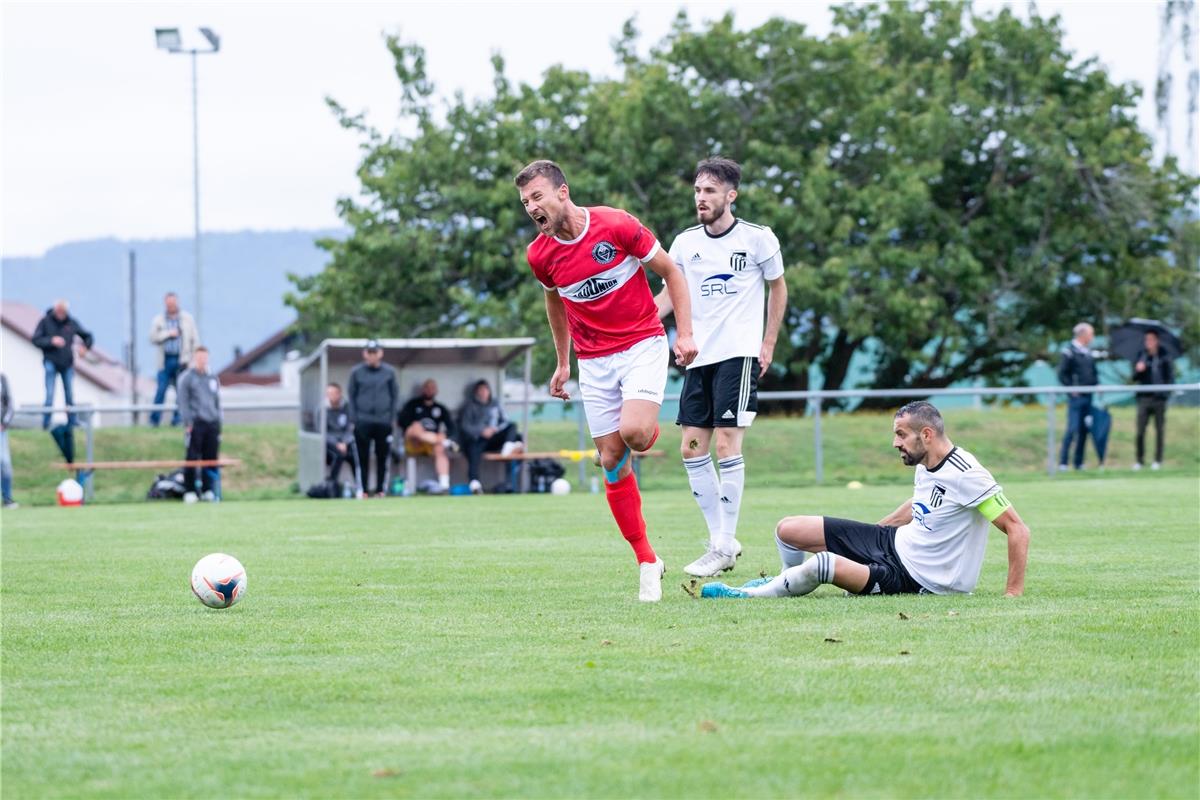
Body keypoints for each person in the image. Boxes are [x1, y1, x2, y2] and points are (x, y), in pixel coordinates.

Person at [515, 159, 698, 601]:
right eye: (524, 202)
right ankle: (647, 560)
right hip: (593, 363)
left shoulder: (616, 225)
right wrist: (563, 363)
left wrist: (687, 333)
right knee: (613, 464)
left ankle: (641, 429)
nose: (531, 207)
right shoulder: (540, 255)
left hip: (641, 344)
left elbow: (672, 271)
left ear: (562, 192)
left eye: (537, 196)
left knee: (634, 435)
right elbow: (555, 306)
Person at [700, 401, 1030, 599]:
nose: (895, 442)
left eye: (901, 434)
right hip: (894, 542)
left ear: (926, 435)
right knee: (789, 529)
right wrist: (872, 534)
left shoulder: (967, 473)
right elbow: (919, 505)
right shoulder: (927, 462)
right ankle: (781, 579)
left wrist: (1012, 594)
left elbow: (1017, 529)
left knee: (822, 565)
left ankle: (749, 594)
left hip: (916, 579)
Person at [654, 157, 788, 577]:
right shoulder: (684, 244)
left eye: (709, 191)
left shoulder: (757, 238)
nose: (701, 198)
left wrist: (767, 343)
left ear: (731, 195)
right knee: (691, 449)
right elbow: (668, 298)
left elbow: (778, 289)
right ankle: (719, 543)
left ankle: (726, 542)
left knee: (728, 444)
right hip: (698, 359)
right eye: (697, 191)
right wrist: (630, 326)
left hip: (739, 355)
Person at [347, 340, 399, 498]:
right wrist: (354, 419)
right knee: (362, 457)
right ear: (364, 354)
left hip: (383, 421)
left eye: (374, 352)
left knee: (382, 456)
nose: (372, 355)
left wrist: (391, 418)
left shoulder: (389, 372)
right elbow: (352, 396)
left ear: (380, 353)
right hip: (363, 421)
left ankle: (380, 489)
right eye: (369, 352)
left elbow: (394, 396)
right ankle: (362, 490)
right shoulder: (356, 372)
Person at [31, 299, 94, 430]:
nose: (60, 314)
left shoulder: (71, 323)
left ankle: (72, 422)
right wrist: (51, 341)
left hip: (67, 364)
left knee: (69, 394)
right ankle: (46, 423)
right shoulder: (45, 321)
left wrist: (85, 348)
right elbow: (36, 339)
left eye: (63, 311)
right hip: (50, 362)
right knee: (49, 394)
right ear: (55, 310)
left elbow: (88, 336)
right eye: (58, 311)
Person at [458, 379, 524, 494]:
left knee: (513, 427)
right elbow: (465, 426)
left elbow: (505, 421)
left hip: (494, 437)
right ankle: (474, 482)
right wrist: (482, 431)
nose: (483, 392)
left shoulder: (495, 404)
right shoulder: (470, 406)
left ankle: (508, 447)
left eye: (486, 389)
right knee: (473, 448)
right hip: (478, 438)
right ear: (476, 392)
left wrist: (495, 429)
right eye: (481, 390)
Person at [398, 378, 458, 495]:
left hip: (431, 444)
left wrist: (443, 434)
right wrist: (417, 428)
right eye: (427, 387)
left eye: (432, 388)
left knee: (440, 447)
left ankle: (444, 485)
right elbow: (401, 422)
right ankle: (439, 440)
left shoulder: (440, 408)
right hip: (414, 442)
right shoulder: (412, 405)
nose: (430, 390)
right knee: (415, 428)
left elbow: (452, 428)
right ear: (423, 389)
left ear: (436, 391)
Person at [177, 347, 222, 502]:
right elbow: (183, 402)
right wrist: (188, 422)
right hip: (196, 423)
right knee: (192, 456)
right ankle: (189, 490)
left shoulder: (212, 378)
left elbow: (217, 401)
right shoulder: (187, 378)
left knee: (210, 458)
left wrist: (218, 421)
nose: (203, 361)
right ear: (195, 359)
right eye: (200, 358)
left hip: (212, 423)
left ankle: (207, 489)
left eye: (205, 358)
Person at [148, 291, 199, 427]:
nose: (171, 305)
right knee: (161, 390)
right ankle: (154, 420)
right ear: (165, 303)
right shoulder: (159, 320)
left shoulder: (187, 319)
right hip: (165, 361)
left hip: (182, 360)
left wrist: (193, 359)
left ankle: (177, 420)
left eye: (173, 303)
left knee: (181, 392)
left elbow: (195, 340)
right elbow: (152, 338)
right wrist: (168, 334)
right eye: (168, 303)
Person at [1056, 322, 1099, 471]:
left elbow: (1093, 373)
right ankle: (1063, 462)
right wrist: (1071, 390)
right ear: (1083, 335)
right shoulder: (1069, 351)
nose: (1092, 337)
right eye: (1091, 334)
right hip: (1076, 398)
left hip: (1088, 396)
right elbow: (1062, 374)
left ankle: (1079, 462)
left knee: (1084, 430)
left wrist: (1096, 385)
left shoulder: (1088, 352)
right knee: (1072, 429)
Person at [1132, 330, 1174, 471]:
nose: (1148, 342)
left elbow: (1170, 376)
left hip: (1159, 399)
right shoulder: (1141, 355)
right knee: (1140, 431)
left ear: (1156, 340)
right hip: (1144, 397)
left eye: (1151, 339)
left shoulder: (1164, 356)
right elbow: (1134, 377)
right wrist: (1139, 370)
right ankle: (1139, 460)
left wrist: (1165, 393)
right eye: (1146, 340)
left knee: (1160, 430)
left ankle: (1158, 460)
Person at [325, 382, 361, 490]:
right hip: (329, 445)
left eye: (334, 393)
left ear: (340, 393)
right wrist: (337, 444)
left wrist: (344, 442)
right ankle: (331, 486)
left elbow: (350, 427)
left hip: (346, 444)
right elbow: (322, 432)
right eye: (329, 393)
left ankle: (360, 487)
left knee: (356, 457)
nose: (332, 396)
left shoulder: (347, 408)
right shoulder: (322, 410)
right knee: (338, 455)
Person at [1, 373, 17, 509]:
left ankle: (7, 499)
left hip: (1, 430)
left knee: (5, 463)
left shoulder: (2, 379)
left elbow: (10, 405)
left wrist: (4, 423)